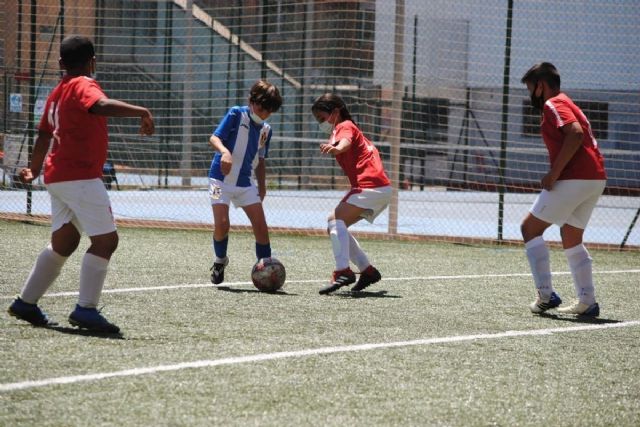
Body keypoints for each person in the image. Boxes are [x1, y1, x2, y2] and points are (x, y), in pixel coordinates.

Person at [7, 35, 155, 333]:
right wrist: (142, 111)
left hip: (58, 177)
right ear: (93, 62)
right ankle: (85, 309)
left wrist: (33, 169)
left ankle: (26, 302)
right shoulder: (83, 84)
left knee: (64, 242)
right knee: (106, 241)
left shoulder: (57, 92)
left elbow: (44, 135)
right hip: (81, 177)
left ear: (61, 63)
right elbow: (99, 105)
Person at [520, 62, 606, 317]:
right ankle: (587, 301)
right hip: (595, 178)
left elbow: (575, 134)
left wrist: (554, 173)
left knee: (529, 228)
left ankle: (546, 295)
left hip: (574, 177)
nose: (530, 95)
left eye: (530, 88)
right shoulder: (568, 102)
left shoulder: (553, 103)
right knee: (571, 236)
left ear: (541, 86)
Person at [311, 94, 392, 295]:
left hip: (369, 186)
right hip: (380, 188)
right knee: (337, 224)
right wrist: (336, 147)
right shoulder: (346, 128)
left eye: (322, 118)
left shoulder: (344, 125)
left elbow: (345, 143)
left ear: (335, 112)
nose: (321, 123)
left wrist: (336, 148)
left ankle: (343, 272)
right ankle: (367, 271)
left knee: (334, 221)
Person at [207, 80, 282, 284]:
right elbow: (214, 138)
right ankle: (220, 261)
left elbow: (260, 161)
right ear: (251, 101)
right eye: (262, 108)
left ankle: (266, 269)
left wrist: (262, 187)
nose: (264, 114)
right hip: (218, 180)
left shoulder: (266, 130)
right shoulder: (236, 114)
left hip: (245, 183)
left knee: (261, 227)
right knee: (222, 224)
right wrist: (224, 152)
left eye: (269, 111)